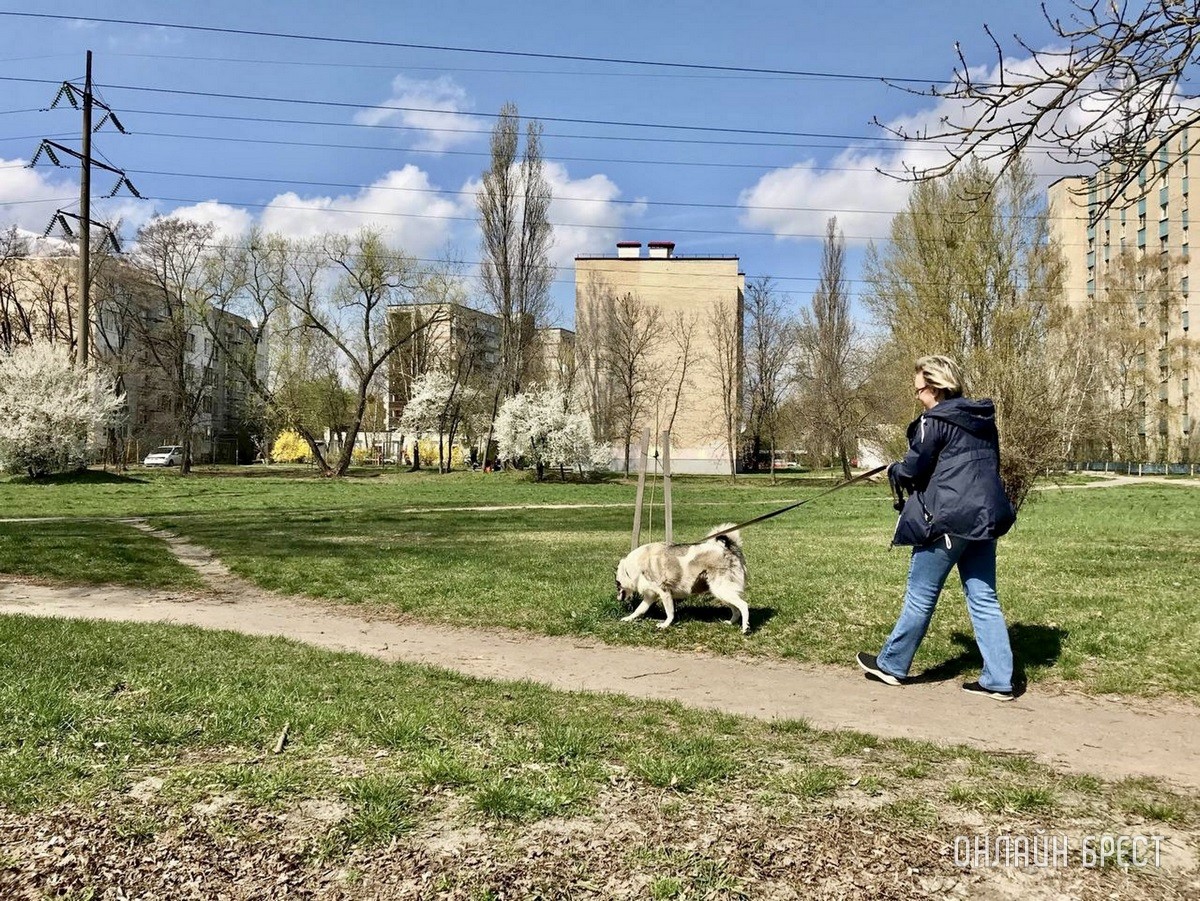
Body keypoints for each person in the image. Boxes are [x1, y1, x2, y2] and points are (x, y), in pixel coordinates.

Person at [856, 355, 1018, 701]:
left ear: (936, 386)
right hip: (983, 518)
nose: (918, 397)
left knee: (921, 595)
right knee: (983, 597)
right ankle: (999, 680)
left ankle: (892, 665)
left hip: (946, 520)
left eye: (920, 390)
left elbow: (915, 469)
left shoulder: (934, 420)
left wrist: (893, 471)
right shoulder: (983, 420)